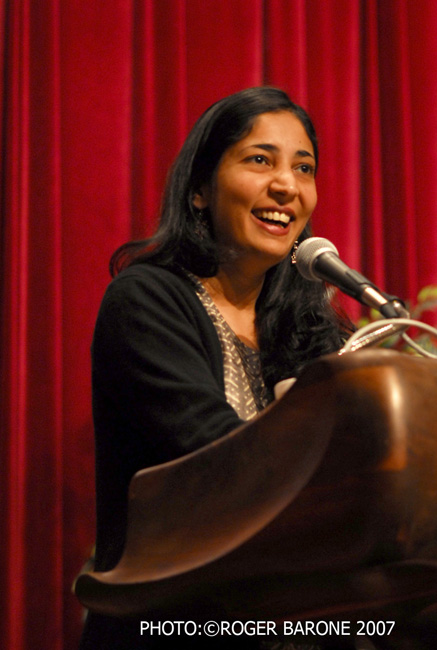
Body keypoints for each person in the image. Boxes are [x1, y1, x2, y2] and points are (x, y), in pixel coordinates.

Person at [79, 86, 352, 649]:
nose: (287, 185)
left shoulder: (312, 327)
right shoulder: (146, 302)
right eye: (260, 160)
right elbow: (218, 459)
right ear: (200, 189)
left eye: (305, 168)